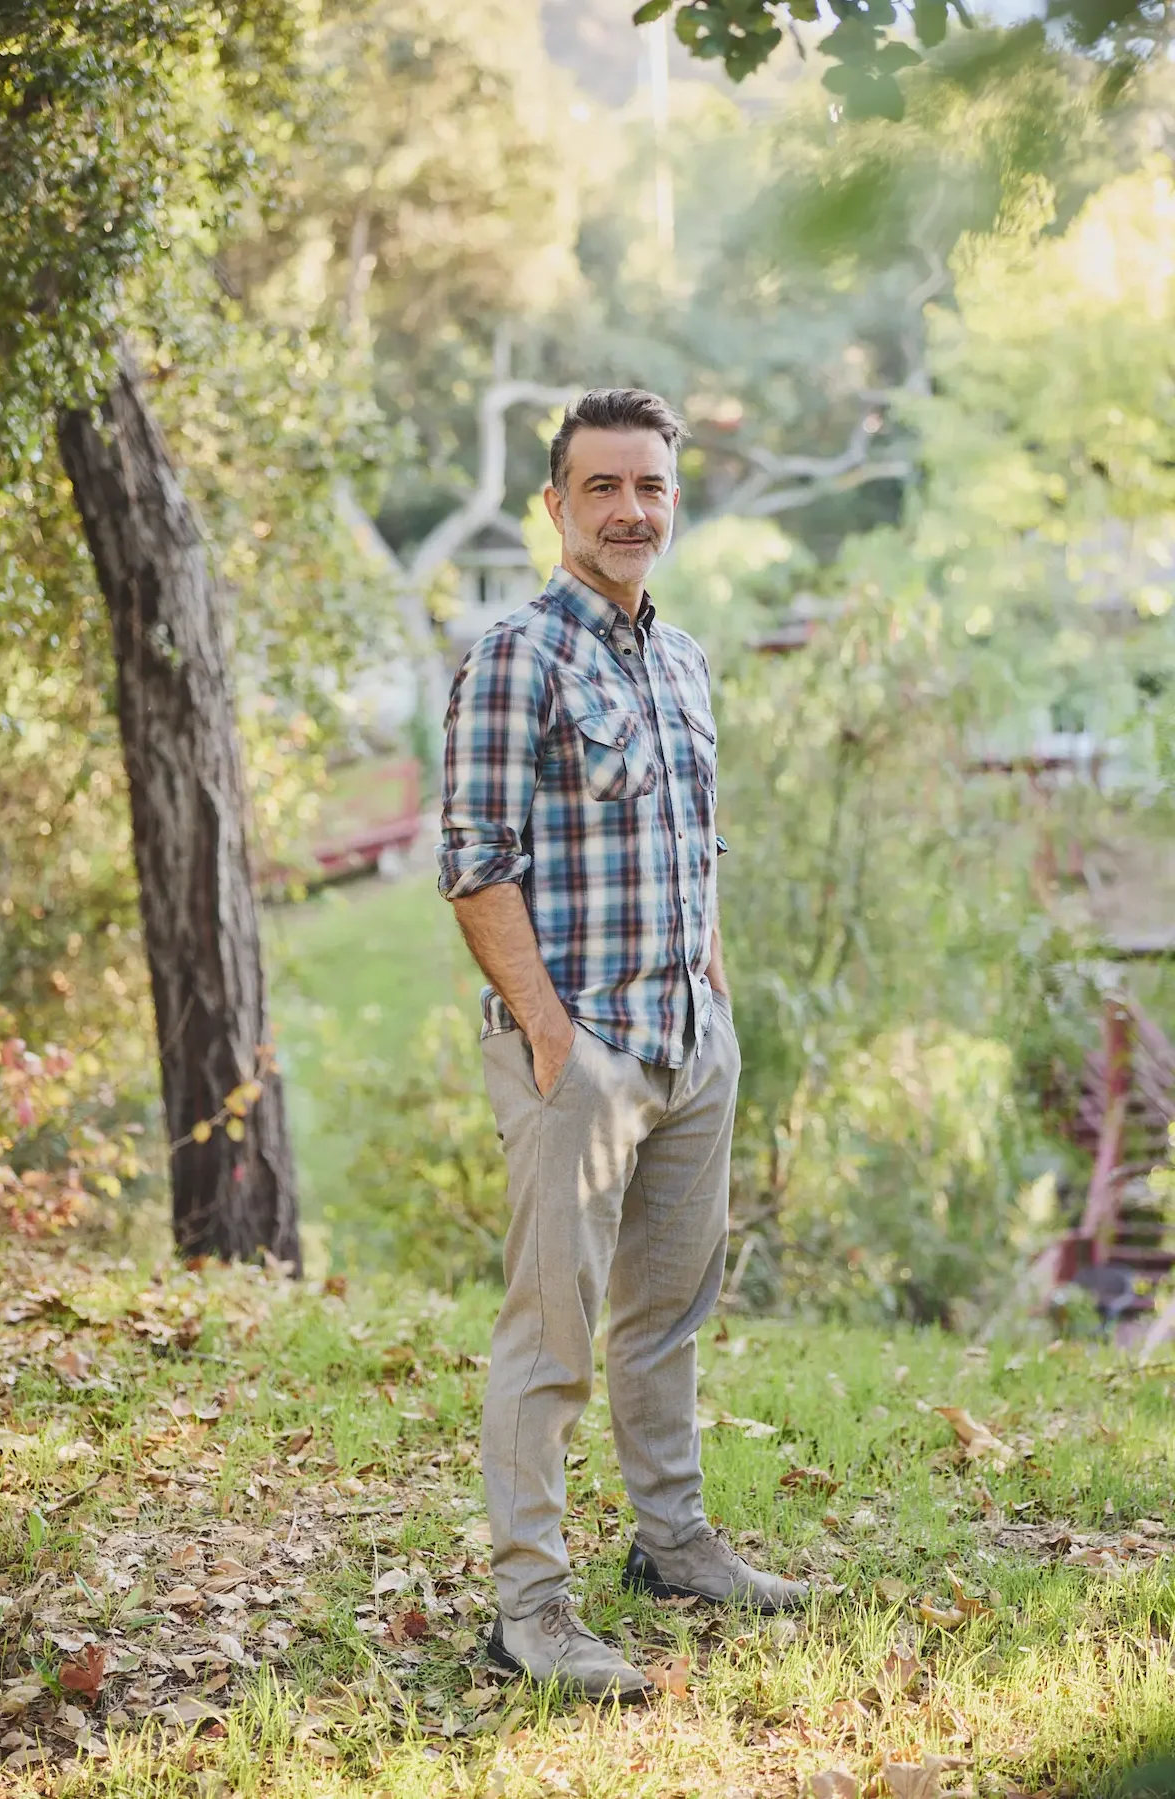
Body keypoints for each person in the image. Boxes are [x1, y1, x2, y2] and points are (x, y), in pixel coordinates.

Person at [436, 388, 806, 1702]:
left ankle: (676, 1545)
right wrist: (551, 1037)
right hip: (577, 1053)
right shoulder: (515, 655)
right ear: (556, 503)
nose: (630, 508)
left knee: (668, 1318)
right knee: (553, 1341)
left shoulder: (684, 657)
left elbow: (697, 844)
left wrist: (715, 995)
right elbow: (477, 867)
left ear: (672, 498)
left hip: (690, 1043)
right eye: (601, 486)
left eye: (649, 484)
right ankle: (530, 1612)